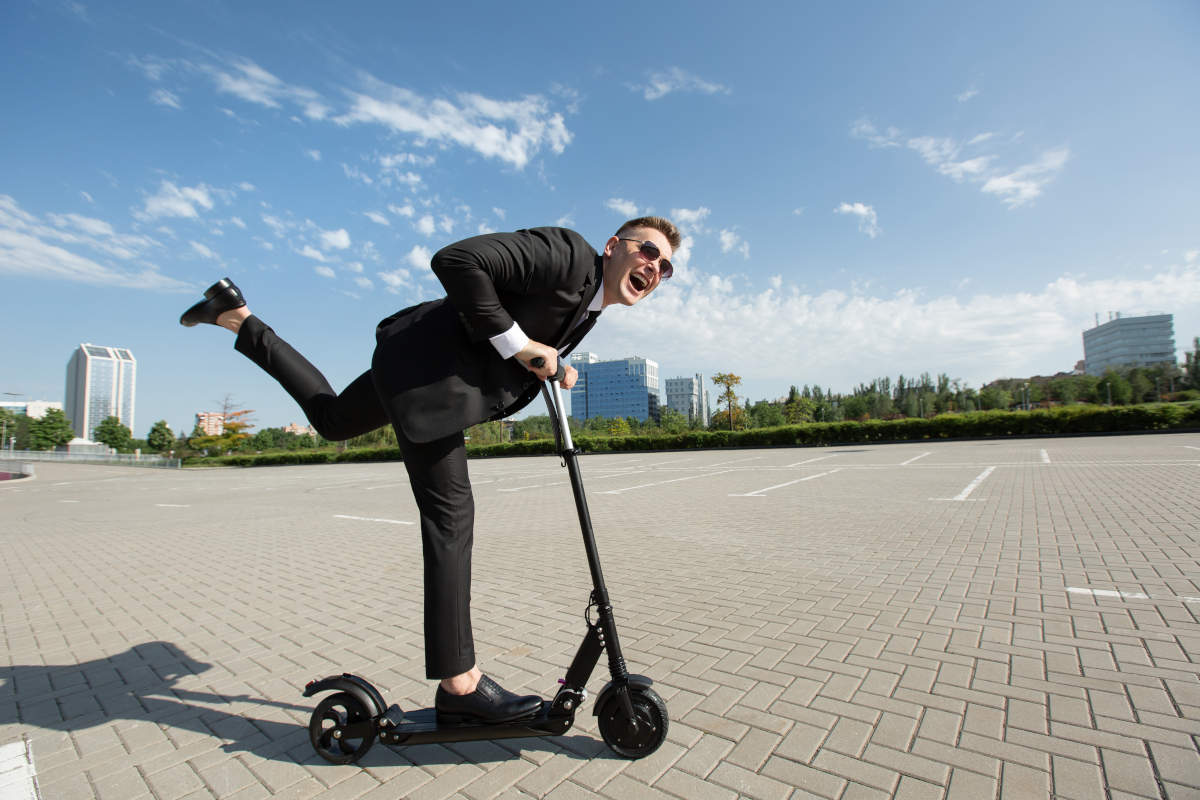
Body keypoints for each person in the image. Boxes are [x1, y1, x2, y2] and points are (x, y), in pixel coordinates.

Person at [180, 217, 681, 722]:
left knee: (331, 420)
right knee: (453, 515)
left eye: (666, 266)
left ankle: (237, 318)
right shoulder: (569, 253)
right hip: (426, 379)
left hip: (416, 365)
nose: (654, 268)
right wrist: (521, 345)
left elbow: (525, 338)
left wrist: (555, 363)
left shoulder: (590, 304)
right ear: (614, 245)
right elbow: (458, 260)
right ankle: (459, 686)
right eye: (647, 251)